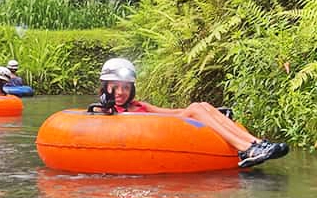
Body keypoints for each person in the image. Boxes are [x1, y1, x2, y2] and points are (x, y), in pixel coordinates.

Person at [96, 58, 289, 169]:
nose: (121, 92)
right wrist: (107, 106)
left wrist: (213, 113)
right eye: (115, 87)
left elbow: (175, 112)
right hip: (158, 135)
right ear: (106, 88)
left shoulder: (139, 106)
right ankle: (246, 149)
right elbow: (99, 120)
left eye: (126, 88)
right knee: (197, 109)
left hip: (168, 128)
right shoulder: (105, 112)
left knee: (201, 105)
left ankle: (256, 144)